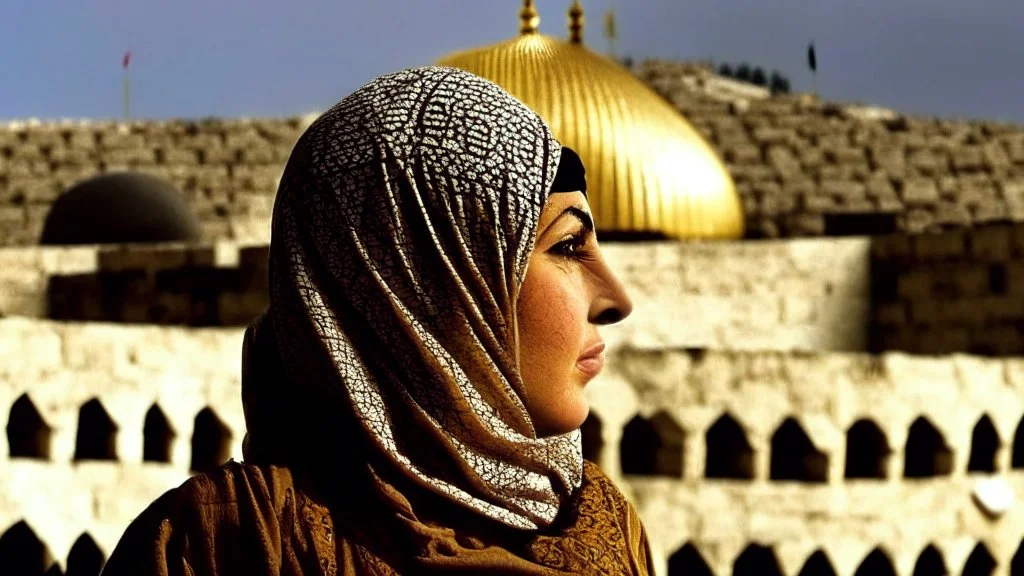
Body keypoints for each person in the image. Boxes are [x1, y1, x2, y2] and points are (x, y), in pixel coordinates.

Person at [100, 66, 652, 575]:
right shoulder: (230, 543)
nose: (617, 299)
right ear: (426, 285)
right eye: (568, 246)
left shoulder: (607, 532)